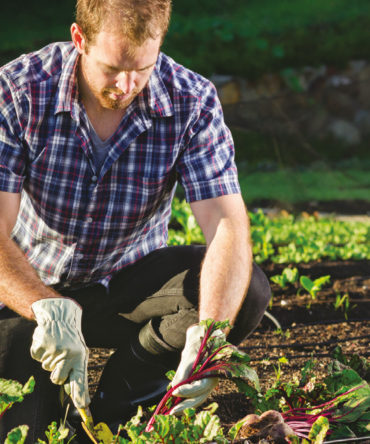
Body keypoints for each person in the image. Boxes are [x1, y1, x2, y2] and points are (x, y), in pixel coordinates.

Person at [0, 0, 271, 441]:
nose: (126, 85)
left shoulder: (192, 101)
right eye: (111, 69)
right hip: (33, 296)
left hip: (126, 286)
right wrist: (45, 306)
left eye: (142, 68)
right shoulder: (20, 89)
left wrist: (210, 334)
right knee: (27, 432)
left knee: (247, 290)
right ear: (79, 39)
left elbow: (227, 225)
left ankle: (126, 398)